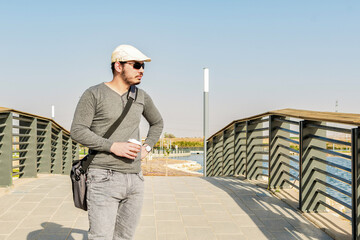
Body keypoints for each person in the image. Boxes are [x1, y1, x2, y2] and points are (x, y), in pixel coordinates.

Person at [70, 44, 163, 240]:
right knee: (101, 237)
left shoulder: (141, 96)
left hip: (135, 178)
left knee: (124, 238)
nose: (142, 71)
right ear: (118, 66)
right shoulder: (94, 94)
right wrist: (112, 146)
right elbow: (77, 131)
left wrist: (146, 148)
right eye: (136, 65)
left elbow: (157, 123)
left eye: (143, 66)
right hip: (103, 176)